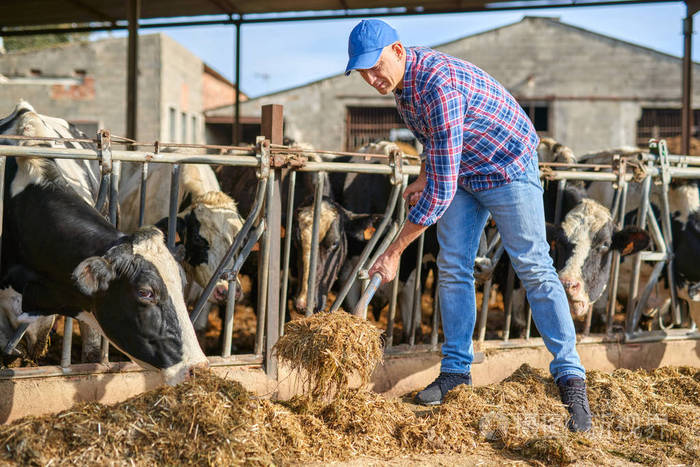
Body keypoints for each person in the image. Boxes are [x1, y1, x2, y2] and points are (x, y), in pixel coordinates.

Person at [345, 19, 592, 432]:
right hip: (464, 171)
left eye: (375, 67)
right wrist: (425, 173)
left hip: (507, 166)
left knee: (533, 265)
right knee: (453, 266)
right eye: (363, 72)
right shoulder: (404, 92)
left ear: (399, 51)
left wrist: (392, 252)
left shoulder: (438, 85)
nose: (372, 79)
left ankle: (571, 378)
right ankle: (456, 372)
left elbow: (438, 197)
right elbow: (437, 143)